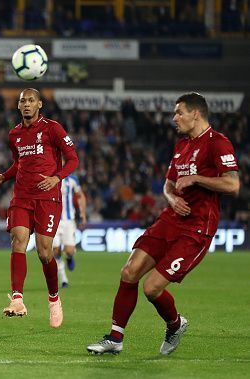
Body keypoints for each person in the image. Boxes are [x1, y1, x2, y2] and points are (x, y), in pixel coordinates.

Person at [87, 93, 240, 355]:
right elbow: (169, 186)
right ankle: (115, 338)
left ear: (196, 114)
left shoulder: (218, 143)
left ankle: (175, 324)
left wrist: (197, 178)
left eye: (179, 112)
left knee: (152, 288)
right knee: (129, 272)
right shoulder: (182, 145)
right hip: (170, 220)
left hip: (197, 227)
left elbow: (233, 184)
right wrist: (171, 199)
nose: (174, 118)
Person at [0, 88, 79, 328]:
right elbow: (19, 163)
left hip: (47, 198)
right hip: (22, 196)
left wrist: (57, 177)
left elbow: (73, 159)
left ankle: (54, 299)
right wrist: (4, 177)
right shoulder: (14, 134)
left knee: (44, 252)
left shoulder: (53, 128)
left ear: (39, 104)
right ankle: (17, 299)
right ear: (18, 106)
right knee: (18, 240)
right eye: (22, 101)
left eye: (31, 100)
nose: (27, 104)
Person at [53, 174, 87, 288]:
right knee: (55, 250)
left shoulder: (72, 179)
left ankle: (69, 257)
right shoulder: (48, 176)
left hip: (68, 220)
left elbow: (80, 195)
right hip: (53, 220)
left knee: (69, 250)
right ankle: (64, 279)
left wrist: (82, 213)